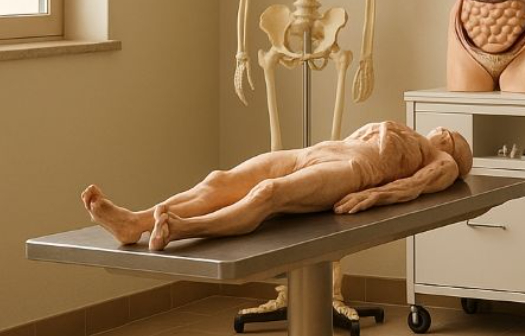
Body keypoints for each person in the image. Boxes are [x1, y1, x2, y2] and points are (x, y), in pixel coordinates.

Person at [82, 122, 472, 251]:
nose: (445, 131)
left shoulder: (442, 161)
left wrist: (372, 196)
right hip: (318, 151)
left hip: (351, 171)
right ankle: (136, 222)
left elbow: (412, 188)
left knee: (268, 194)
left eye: (452, 136)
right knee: (222, 180)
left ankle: (183, 228)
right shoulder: (405, 130)